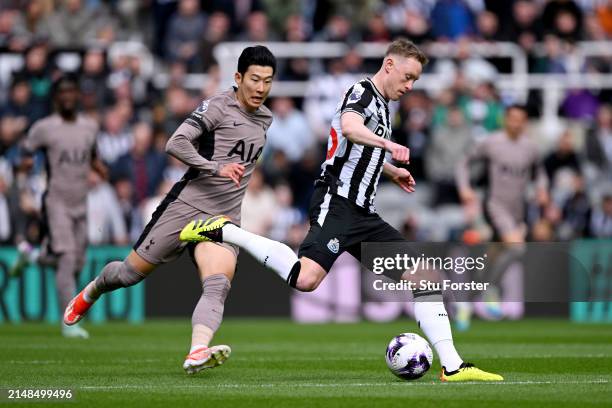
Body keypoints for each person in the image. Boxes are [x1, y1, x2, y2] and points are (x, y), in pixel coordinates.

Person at [180, 39, 503, 382]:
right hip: (337, 203)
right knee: (306, 278)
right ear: (389, 66)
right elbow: (350, 127)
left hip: (364, 214)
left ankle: (453, 366)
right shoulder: (362, 92)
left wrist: (391, 170)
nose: (410, 86)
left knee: (425, 277)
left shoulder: (383, 105)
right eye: (408, 77)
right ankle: (223, 230)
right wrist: (389, 146)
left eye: (415, 81)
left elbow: (350, 148)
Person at [63, 46, 276, 374]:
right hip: (186, 207)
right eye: (255, 80)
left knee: (218, 284)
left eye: (268, 81)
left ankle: (197, 351)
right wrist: (214, 167)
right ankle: (92, 290)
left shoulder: (266, 119)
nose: (261, 88)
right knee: (127, 275)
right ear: (238, 78)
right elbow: (175, 143)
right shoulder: (218, 106)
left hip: (223, 218)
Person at [11, 75, 108, 339]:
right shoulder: (44, 128)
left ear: (77, 96)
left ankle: (30, 256)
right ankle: (69, 323)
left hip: (80, 201)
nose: (67, 97)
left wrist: (100, 169)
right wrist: (22, 191)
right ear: (55, 98)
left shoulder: (89, 127)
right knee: (66, 257)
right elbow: (23, 158)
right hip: (56, 201)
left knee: (76, 261)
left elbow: (94, 157)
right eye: (62, 93)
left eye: (71, 92)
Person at [455, 105, 549, 327]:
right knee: (517, 247)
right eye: (512, 119)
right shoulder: (491, 142)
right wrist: (464, 188)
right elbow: (464, 163)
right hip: (495, 205)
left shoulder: (531, 148)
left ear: (525, 122)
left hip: (517, 210)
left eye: (521, 120)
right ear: (505, 120)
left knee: (493, 258)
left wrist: (543, 189)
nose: (516, 123)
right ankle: (491, 290)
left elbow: (540, 173)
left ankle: (466, 303)